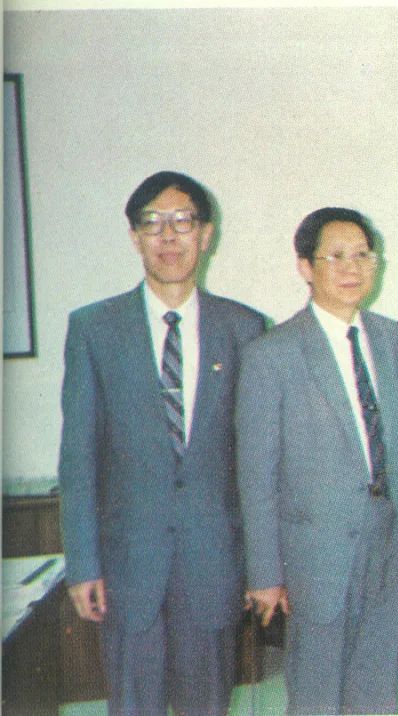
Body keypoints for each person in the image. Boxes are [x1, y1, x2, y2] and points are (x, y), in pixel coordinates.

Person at [58, 171, 266, 715]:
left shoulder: (244, 329)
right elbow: (78, 459)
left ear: (206, 235)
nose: (169, 236)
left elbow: (255, 460)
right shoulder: (95, 329)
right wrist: (82, 563)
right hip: (127, 571)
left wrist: (262, 566)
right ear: (134, 237)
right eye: (153, 223)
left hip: (214, 564)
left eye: (183, 222)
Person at [237, 207, 398, 714]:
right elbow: (257, 475)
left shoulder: (389, 338)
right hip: (314, 551)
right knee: (317, 690)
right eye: (336, 256)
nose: (352, 268)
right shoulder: (272, 353)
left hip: (385, 540)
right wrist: (265, 573)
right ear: (305, 266)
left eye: (363, 256)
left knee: (376, 687)